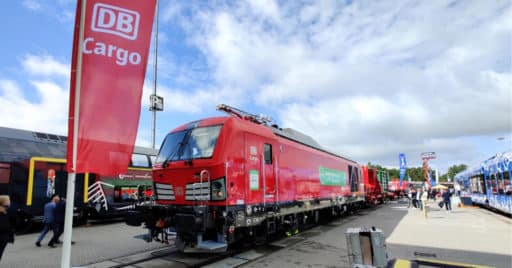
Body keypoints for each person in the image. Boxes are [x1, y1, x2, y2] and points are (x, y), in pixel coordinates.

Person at [0, 195, 15, 260]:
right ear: (4, 202)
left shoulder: (5, 212)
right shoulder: (3, 214)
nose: (10, 201)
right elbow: (4, 227)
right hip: (2, 238)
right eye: (8, 200)